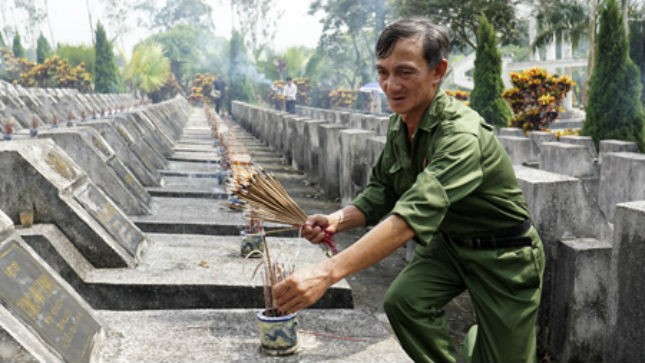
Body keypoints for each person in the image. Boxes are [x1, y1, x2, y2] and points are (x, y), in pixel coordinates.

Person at [273, 17, 545, 363]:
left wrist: (327, 273)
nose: (390, 85)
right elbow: (381, 190)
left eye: (404, 72)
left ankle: (483, 341)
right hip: (449, 246)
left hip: (504, 255)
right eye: (383, 72)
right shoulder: (400, 125)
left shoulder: (461, 136)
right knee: (404, 302)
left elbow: (408, 218)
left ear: (438, 71)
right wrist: (335, 221)